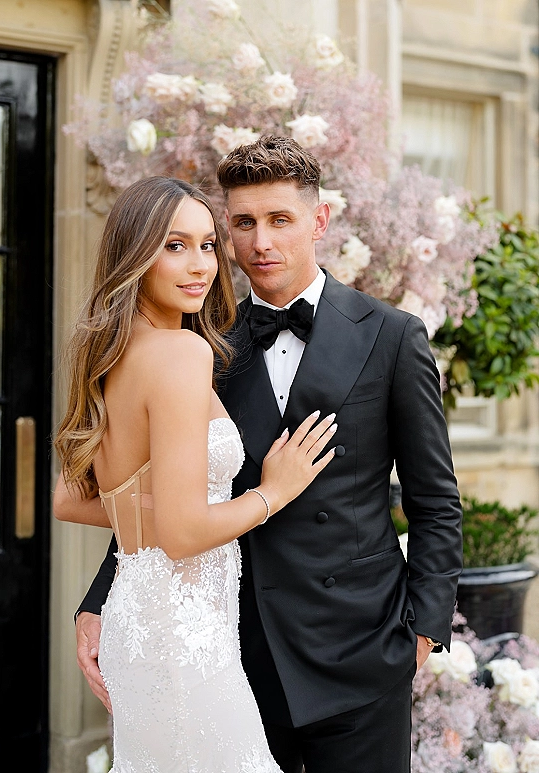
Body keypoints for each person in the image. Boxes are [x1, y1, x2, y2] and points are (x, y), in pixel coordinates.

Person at [58, 137, 463, 773]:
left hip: (359, 650)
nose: (260, 243)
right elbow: (161, 488)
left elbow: (436, 500)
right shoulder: (205, 345)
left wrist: (424, 630)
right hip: (235, 647)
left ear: (320, 221)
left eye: (280, 220)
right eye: (243, 224)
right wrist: (100, 596)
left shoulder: (392, 336)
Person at [53, 175, 338, 773]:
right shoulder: (184, 354)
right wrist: (271, 493)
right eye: (175, 245)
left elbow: (72, 498)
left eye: (208, 244)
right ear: (134, 254)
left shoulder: (108, 352)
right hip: (183, 641)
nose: (200, 265)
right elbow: (183, 534)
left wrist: (161, 509)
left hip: (143, 621)